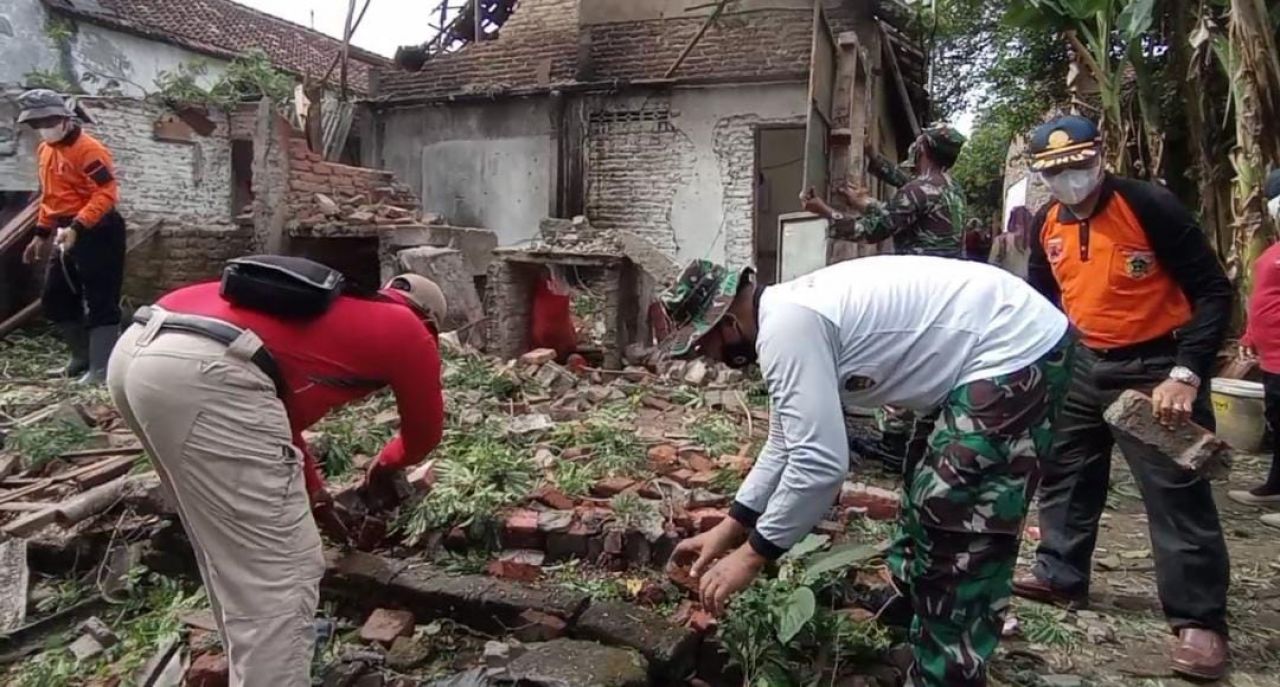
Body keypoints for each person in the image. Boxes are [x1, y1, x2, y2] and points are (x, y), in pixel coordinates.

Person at [663, 256, 1073, 687]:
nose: (708, 357)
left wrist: (752, 556)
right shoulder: (785, 318)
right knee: (923, 485)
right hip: (983, 350)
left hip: (1016, 348)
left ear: (727, 324)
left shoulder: (788, 328)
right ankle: (915, 618)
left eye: (702, 344)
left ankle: (948, 667)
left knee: (959, 513)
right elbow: (785, 442)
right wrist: (730, 528)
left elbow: (820, 465)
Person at [106, 271, 447, 687]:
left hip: (137, 348)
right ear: (430, 321)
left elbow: (275, 415)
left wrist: (315, 492)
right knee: (282, 574)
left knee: (228, 553)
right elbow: (424, 433)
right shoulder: (410, 330)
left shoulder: (331, 307)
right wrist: (384, 464)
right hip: (205, 371)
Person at [1019, 115, 1233, 680]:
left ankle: (1199, 622)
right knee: (1065, 469)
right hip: (1086, 362)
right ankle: (1060, 572)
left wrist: (1187, 373)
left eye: (1077, 166)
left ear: (1100, 156)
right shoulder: (1048, 224)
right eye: (1055, 172)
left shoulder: (1148, 206)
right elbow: (1041, 301)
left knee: (1174, 492)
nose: (1069, 179)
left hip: (1158, 364)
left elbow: (1213, 290)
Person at [801, 125, 969, 475]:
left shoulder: (918, 191)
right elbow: (904, 203)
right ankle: (914, 437)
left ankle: (895, 445)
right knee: (926, 357)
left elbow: (874, 230)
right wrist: (873, 162)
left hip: (918, 292)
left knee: (899, 355)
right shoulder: (951, 189)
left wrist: (824, 211)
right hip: (945, 290)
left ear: (922, 148)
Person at [18, 88, 125, 384]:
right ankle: (80, 358)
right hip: (66, 230)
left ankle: (102, 370)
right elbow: (51, 197)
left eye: (49, 120)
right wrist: (40, 234)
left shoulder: (90, 150)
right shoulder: (45, 151)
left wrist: (78, 227)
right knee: (55, 296)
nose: (44, 128)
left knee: (100, 299)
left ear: (65, 118)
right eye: (37, 123)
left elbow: (106, 194)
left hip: (99, 230)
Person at [1231, 168, 1280, 528]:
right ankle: (1275, 485)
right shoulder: (1273, 249)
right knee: (1277, 422)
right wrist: (1250, 334)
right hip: (1272, 356)